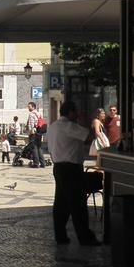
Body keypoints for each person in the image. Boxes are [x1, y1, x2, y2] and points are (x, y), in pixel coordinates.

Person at [45, 100, 99, 246]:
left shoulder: (53, 127)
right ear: (70, 112)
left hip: (58, 167)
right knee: (78, 204)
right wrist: (82, 120)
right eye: (76, 111)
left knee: (61, 203)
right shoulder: (69, 127)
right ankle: (85, 237)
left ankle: (60, 236)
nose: (77, 114)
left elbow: (50, 149)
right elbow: (89, 137)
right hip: (72, 169)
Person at [25, 101, 46, 168]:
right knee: (39, 147)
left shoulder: (31, 114)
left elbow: (31, 125)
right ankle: (43, 163)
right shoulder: (39, 113)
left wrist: (30, 133)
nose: (28, 108)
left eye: (29, 106)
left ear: (33, 107)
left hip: (34, 133)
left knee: (34, 148)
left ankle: (36, 163)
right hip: (39, 132)